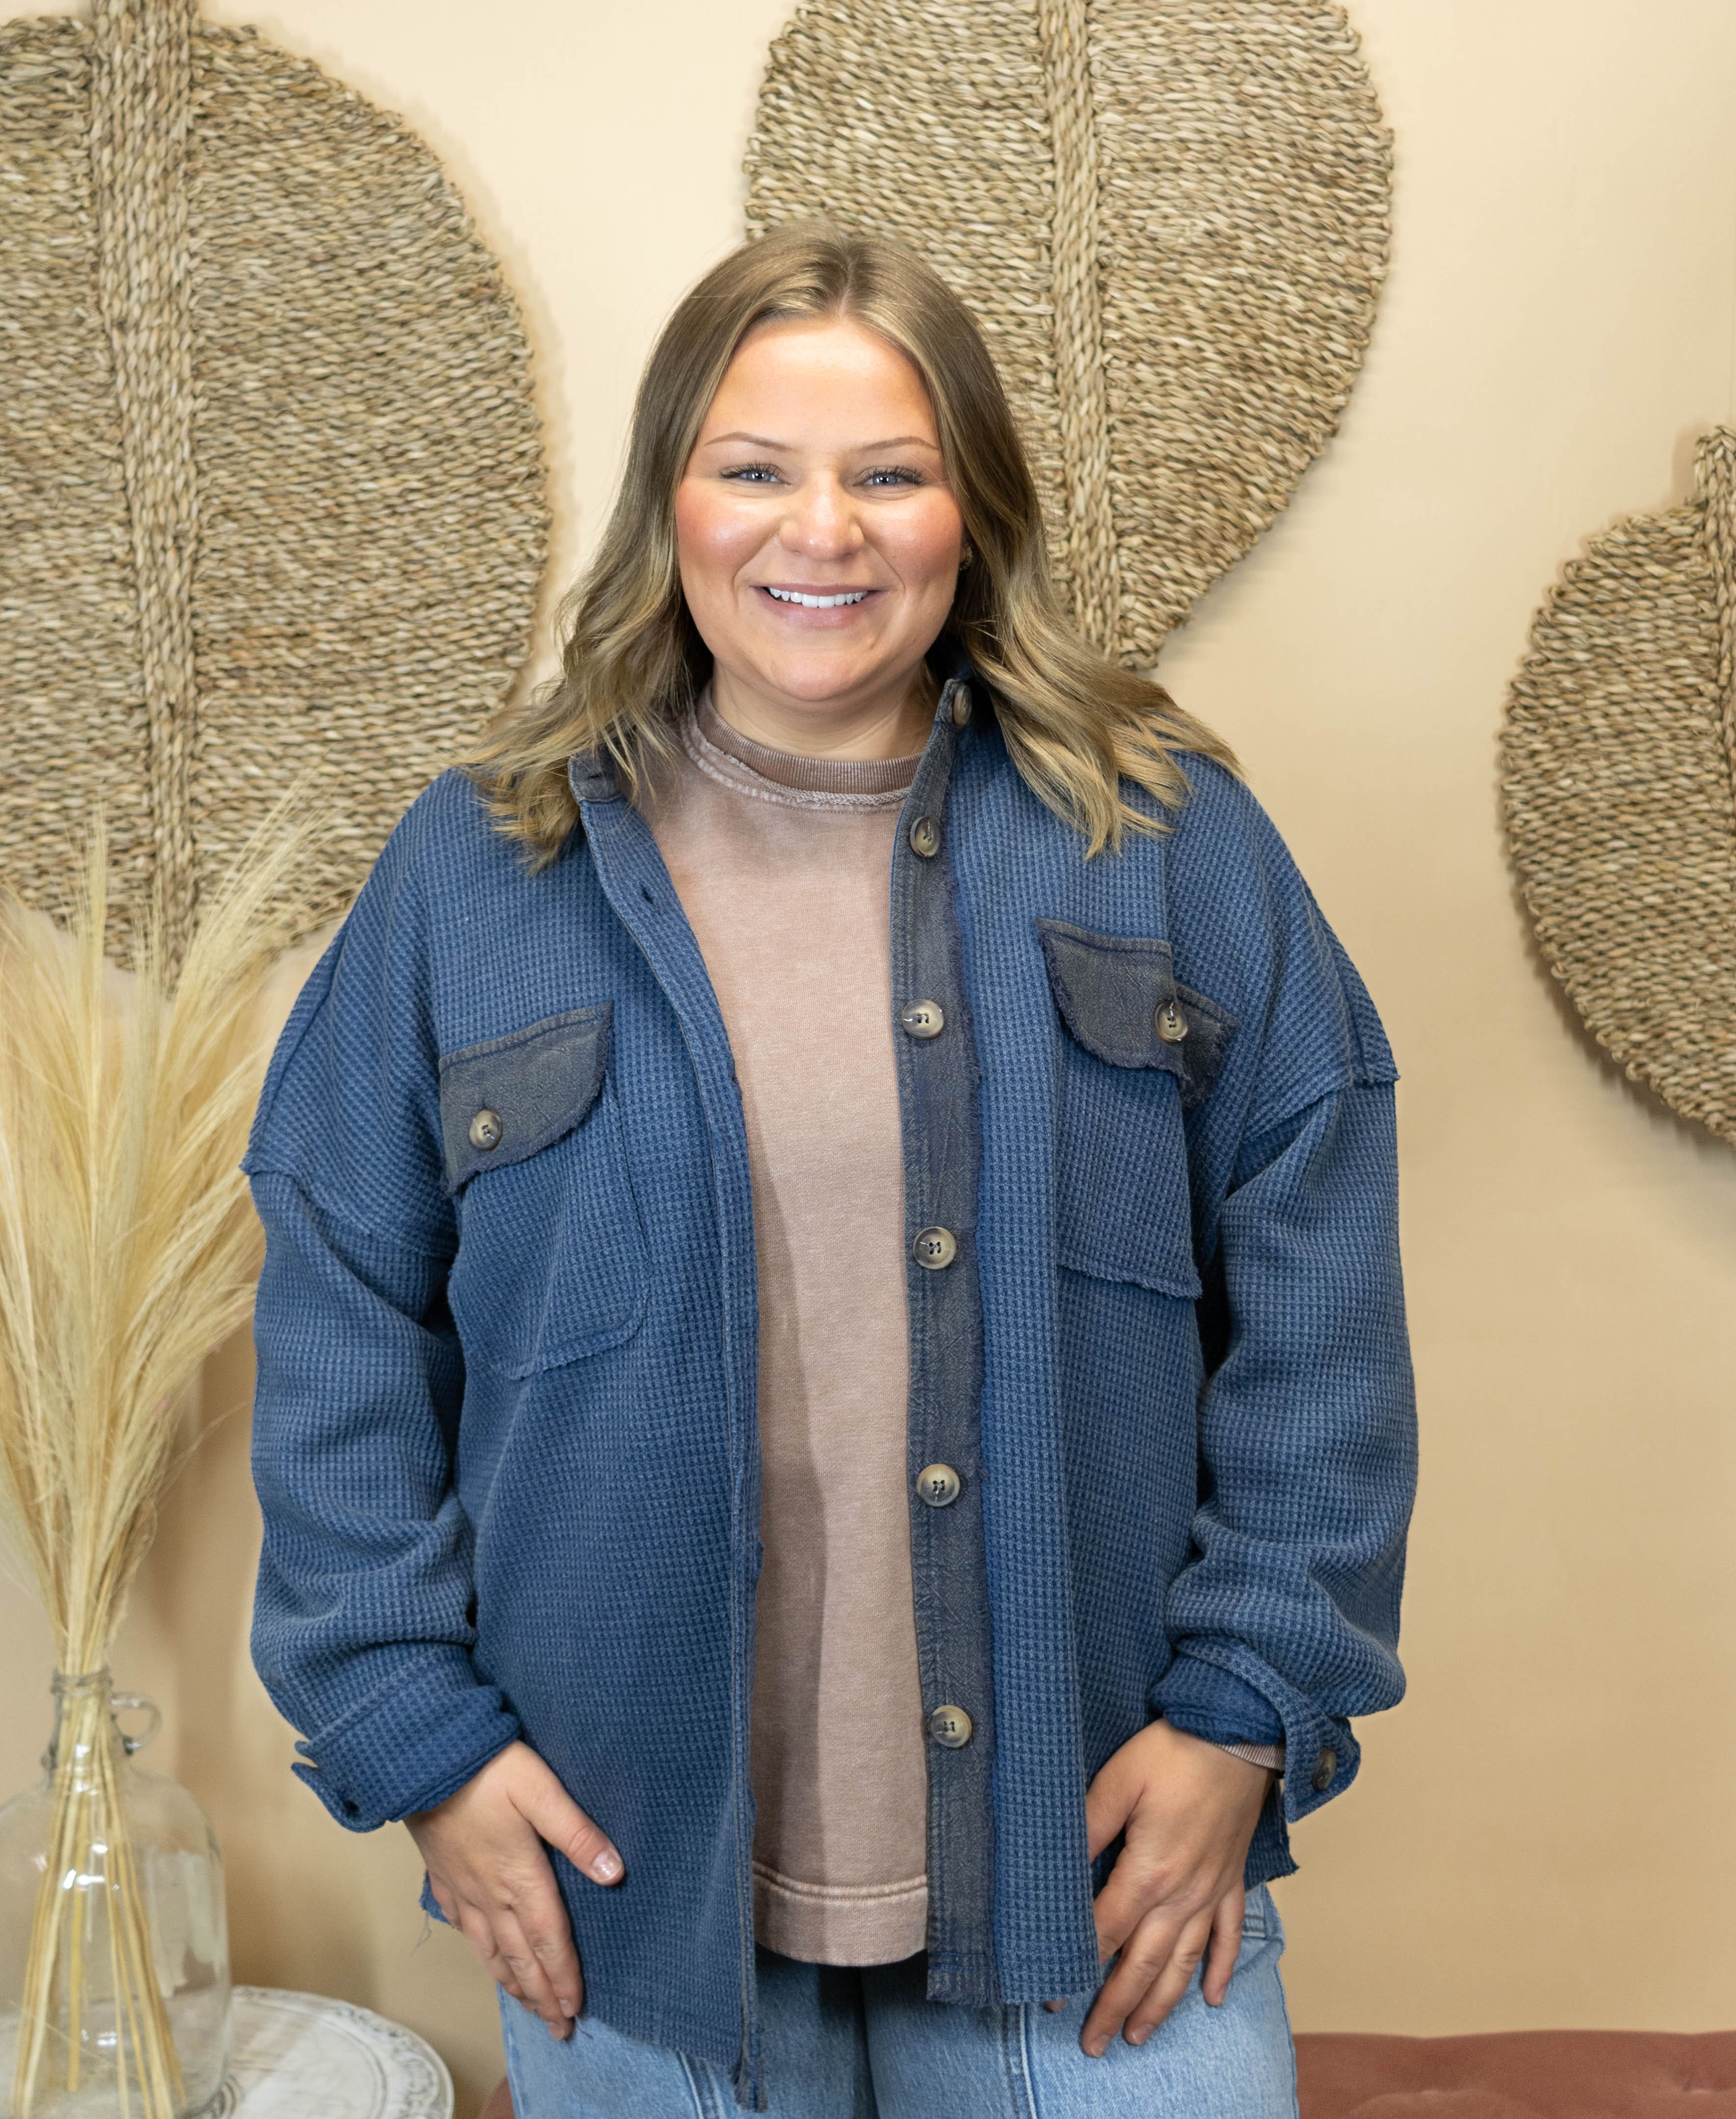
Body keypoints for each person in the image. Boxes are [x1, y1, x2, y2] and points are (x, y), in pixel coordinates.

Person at [245, 224, 1417, 2119]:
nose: (823, 532)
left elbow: (1321, 1294)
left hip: (1093, 1865)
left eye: (888, 474)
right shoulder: (476, 873)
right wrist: (413, 1735)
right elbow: (339, 1312)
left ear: (972, 514)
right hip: (626, 1888)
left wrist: (1243, 1713)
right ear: (671, 503)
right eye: (754, 470)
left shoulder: (1163, 839)